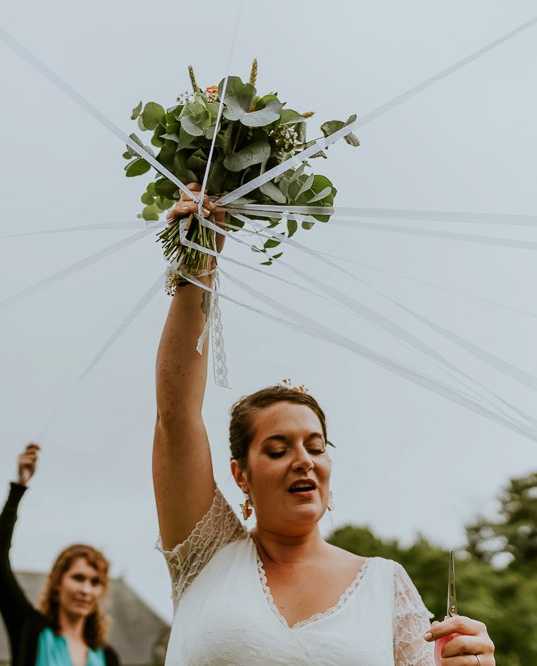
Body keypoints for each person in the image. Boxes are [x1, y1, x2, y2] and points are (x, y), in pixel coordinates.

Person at [152, 185, 497, 665]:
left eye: (315, 447)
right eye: (277, 449)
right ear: (241, 474)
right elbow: (176, 415)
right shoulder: (206, 555)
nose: (303, 461)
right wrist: (197, 262)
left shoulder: (384, 584)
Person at [0, 443, 121, 666]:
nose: (86, 590)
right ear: (58, 582)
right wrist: (18, 488)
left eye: (95, 582)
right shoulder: (30, 630)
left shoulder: (107, 657)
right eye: (78, 578)